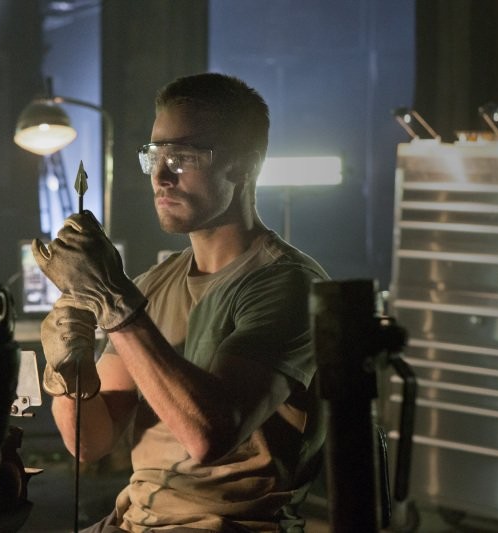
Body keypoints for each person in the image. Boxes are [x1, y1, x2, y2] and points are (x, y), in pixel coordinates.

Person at [33, 72, 329, 532]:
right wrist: (66, 368)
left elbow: (210, 435)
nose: (161, 176)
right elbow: (89, 443)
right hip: (134, 519)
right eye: (154, 155)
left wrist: (114, 305)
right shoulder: (153, 285)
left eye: (183, 157)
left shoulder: (286, 284)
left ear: (244, 166)